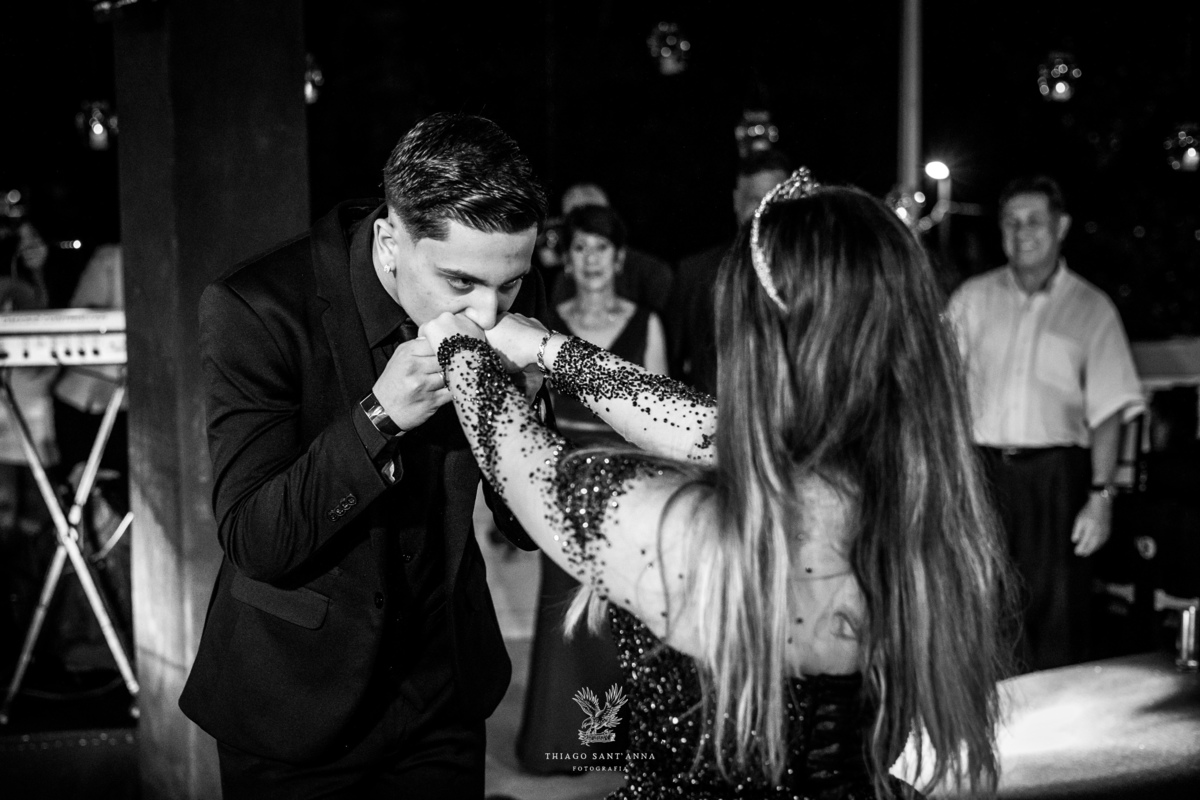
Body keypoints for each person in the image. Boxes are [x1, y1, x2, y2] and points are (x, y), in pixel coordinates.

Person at [422, 170, 1010, 798]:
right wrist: (550, 350)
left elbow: (531, 470)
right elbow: (698, 423)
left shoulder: (687, 529)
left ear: (762, 344)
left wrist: (461, 347)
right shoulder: (908, 493)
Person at [180, 112, 549, 799]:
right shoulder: (255, 308)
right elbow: (255, 539)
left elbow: (528, 528)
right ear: (389, 242)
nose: (489, 313)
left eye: (510, 285)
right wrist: (378, 420)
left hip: (442, 692)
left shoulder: (500, 278)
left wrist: (524, 414)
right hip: (297, 701)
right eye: (459, 284)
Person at [947, 174, 1144, 673]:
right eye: (1011, 222)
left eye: (1034, 221)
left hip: (1056, 482)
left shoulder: (1091, 308)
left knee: (1056, 620)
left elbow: (1109, 410)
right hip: (981, 476)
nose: (1022, 232)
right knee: (978, 611)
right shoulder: (970, 299)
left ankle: (1054, 720)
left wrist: (1101, 497)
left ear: (1062, 227)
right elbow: (937, 391)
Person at [516, 203, 668, 773]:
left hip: (630, 491)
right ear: (568, 259)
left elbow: (659, 419)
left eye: (601, 248)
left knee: (626, 612)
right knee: (565, 611)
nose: (591, 259)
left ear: (619, 258)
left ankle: (623, 741)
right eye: (580, 247)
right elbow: (531, 410)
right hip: (564, 488)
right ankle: (562, 742)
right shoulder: (546, 326)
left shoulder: (646, 323)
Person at [666, 149, 791, 394]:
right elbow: (671, 364)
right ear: (736, 200)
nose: (764, 211)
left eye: (774, 201)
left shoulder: (814, 273)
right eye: (755, 200)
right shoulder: (695, 274)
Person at [546, 182, 674, 316]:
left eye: (593, 218)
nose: (591, 258)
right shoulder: (564, 279)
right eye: (580, 247)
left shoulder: (652, 272)